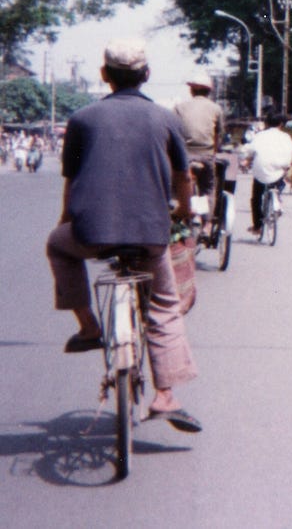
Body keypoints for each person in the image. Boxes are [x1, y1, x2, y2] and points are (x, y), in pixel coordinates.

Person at [44, 38, 202, 432]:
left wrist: (69, 222)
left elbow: (72, 181)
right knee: (164, 305)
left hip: (90, 230)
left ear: (104, 75)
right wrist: (182, 211)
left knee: (56, 245)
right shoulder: (165, 119)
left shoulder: (82, 119)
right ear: (146, 76)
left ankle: (88, 325)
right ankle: (165, 394)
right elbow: (184, 178)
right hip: (151, 234)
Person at [174, 69, 226, 217]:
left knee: (175, 187)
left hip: (184, 157)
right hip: (206, 156)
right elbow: (218, 135)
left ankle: (178, 218)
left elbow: (173, 133)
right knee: (209, 189)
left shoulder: (180, 107)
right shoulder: (216, 108)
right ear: (209, 91)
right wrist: (213, 154)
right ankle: (207, 225)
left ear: (191, 90)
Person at [239, 112, 292, 235]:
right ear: (281, 124)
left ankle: (257, 227)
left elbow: (249, 151)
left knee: (256, 198)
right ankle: (278, 200)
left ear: (267, 123)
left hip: (261, 171)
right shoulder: (286, 137)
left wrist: (246, 160)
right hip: (279, 170)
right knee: (280, 183)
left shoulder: (260, 136)